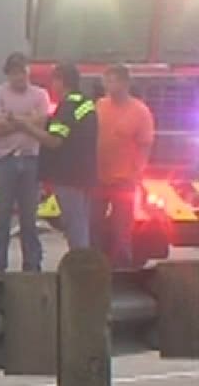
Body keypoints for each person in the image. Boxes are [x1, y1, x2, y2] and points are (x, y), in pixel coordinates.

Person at [0, 53, 50, 275]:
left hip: (31, 160)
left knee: (29, 218)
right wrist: (26, 121)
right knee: (1, 217)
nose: (18, 76)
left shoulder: (41, 95)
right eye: (13, 72)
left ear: (27, 72)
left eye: (21, 71)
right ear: (8, 74)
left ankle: (32, 265)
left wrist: (14, 119)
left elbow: (42, 121)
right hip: (4, 161)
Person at [95, 64, 155, 270]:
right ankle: (96, 269)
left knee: (122, 231)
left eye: (114, 81)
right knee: (93, 227)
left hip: (124, 182)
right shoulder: (99, 106)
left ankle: (123, 272)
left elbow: (145, 145)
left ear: (126, 83)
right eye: (107, 81)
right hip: (98, 180)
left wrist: (137, 173)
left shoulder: (140, 111)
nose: (110, 86)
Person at [36, 63, 99, 253]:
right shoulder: (86, 102)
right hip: (85, 173)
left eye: (54, 80)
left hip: (68, 175)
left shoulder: (68, 106)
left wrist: (27, 129)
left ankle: (80, 265)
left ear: (61, 81)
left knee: (75, 224)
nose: (52, 85)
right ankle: (84, 261)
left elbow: (54, 140)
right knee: (81, 221)